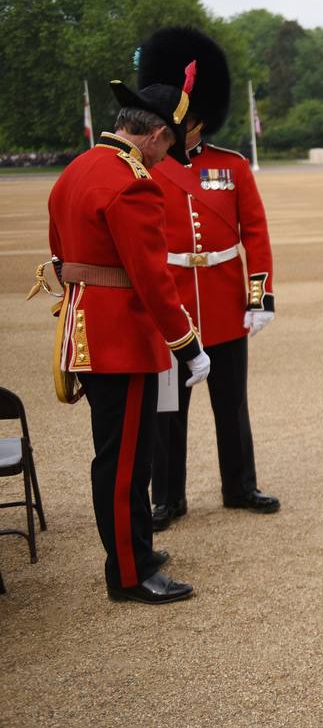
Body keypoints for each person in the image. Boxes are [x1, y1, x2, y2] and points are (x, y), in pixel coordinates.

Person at [47, 71, 212, 604]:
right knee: (123, 466)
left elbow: (59, 252)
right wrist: (187, 343)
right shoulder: (132, 182)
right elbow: (151, 277)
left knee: (124, 457)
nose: (168, 160)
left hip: (86, 327)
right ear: (157, 135)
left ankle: (136, 548)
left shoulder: (78, 169)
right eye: (171, 148)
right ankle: (128, 571)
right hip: (121, 341)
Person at [136, 27, 280, 530]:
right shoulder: (146, 171)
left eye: (196, 121)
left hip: (222, 303)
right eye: (184, 122)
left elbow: (255, 232)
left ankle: (240, 485)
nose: (191, 129)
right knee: (168, 412)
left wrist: (259, 297)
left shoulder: (232, 166)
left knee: (231, 404)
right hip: (173, 306)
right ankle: (166, 498)